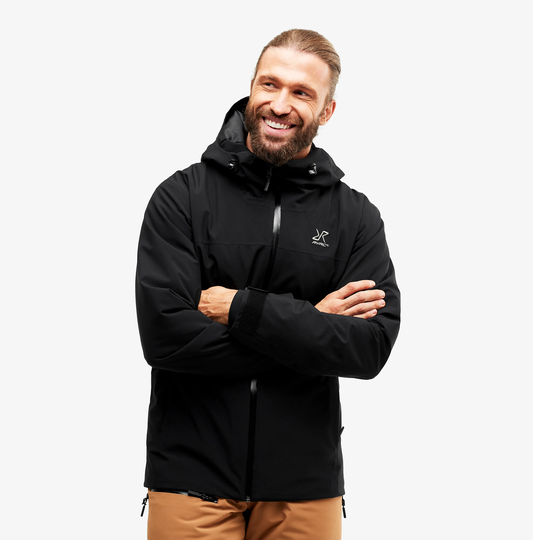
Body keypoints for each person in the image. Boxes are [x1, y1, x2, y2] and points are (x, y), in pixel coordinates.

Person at [136, 28, 400, 540]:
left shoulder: (355, 217)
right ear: (251, 87)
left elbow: (369, 349)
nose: (280, 105)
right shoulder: (182, 197)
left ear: (327, 111)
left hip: (305, 488)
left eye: (302, 92)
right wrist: (312, 325)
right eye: (269, 84)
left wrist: (242, 309)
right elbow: (166, 338)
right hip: (190, 480)